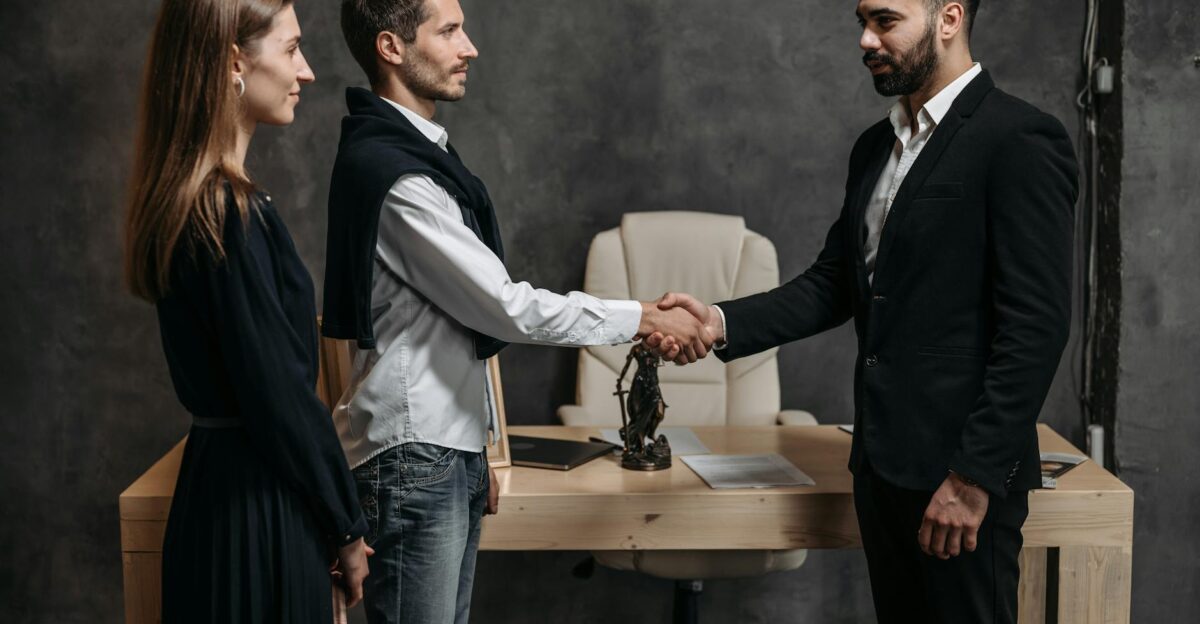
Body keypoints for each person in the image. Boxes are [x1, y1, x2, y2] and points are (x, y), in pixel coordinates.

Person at [652, 1, 1078, 622]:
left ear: (949, 19)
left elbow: (1036, 327)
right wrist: (719, 322)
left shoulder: (1019, 139)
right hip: (882, 472)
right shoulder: (877, 146)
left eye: (885, 21)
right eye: (863, 21)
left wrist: (972, 478)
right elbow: (837, 284)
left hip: (958, 481)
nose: (864, 40)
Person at [322, 1, 712, 622]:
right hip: (415, 456)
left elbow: (448, 327)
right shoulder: (397, 177)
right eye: (448, 31)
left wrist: (479, 448)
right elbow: (505, 308)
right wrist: (643, 316)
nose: (469, 47)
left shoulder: (412, 155)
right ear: (391, 48)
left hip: (440, 450)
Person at [123, 1, 372, 620]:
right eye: (291, 49)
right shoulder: (226, 212)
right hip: (258, 511)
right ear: (235, 61)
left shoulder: (191, 202)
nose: (307, 71)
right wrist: (345, 527)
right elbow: (281, 398)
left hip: (217, 497)